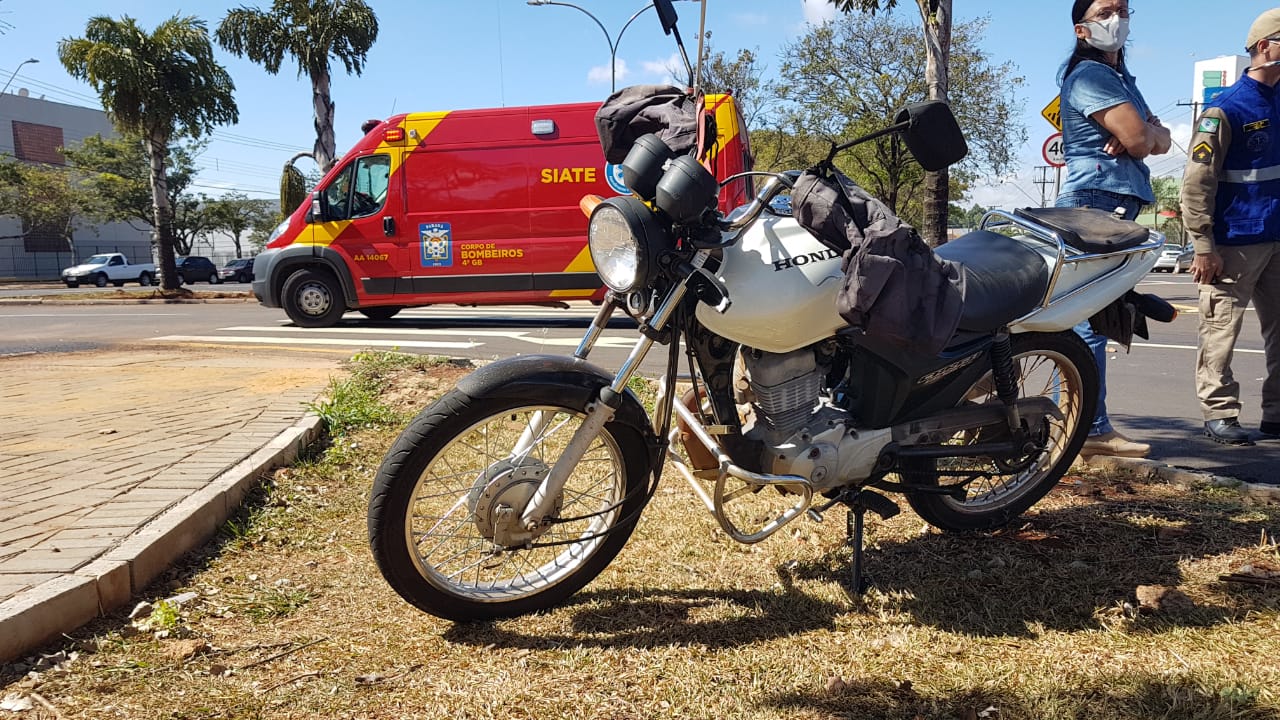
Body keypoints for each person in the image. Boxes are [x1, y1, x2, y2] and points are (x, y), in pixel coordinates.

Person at [1055, 0, 1171, 459]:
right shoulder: (1090, 77)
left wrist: (1145, 134)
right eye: (1105, 11)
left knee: (1095, 316)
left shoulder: (1120, 78)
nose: (1116, 18)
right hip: (1096, 201)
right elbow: (1145, 139)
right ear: (1082, 30)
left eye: (1123, 9)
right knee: (1090, 319)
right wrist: (1143, 135)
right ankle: (1090, 430)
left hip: (1110, 199)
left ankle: (1086, 426)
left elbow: (1155, 139)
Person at [1181, 8, 1280, 447]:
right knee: (1220, 330)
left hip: (1277, 237)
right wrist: (1203, 244)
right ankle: (1219, 413)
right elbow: (1196, 182)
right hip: (1234, 242)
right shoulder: (1225, 109)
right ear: (1265, 48)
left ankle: (1276, 413)